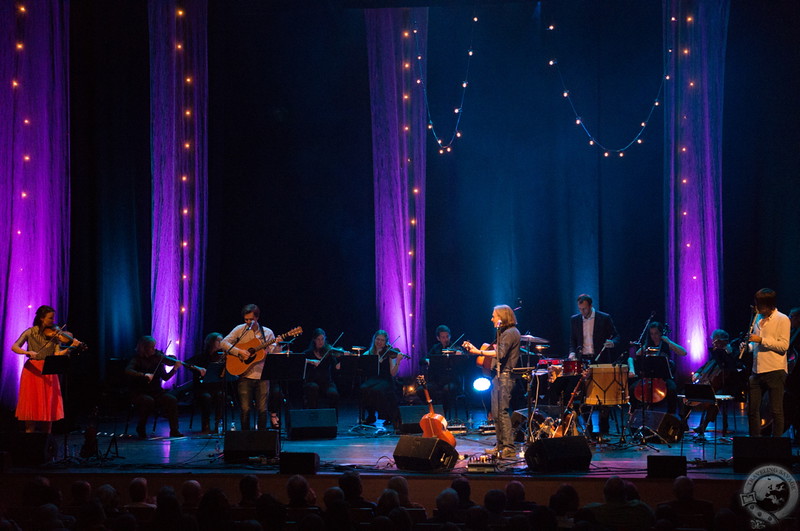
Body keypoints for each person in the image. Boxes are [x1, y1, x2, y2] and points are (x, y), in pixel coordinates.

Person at [11, 305, 83, 433]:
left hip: (49, 369)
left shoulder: (55, 335)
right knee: (31, 405)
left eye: (53, 318)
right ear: (41, 318)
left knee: (48, 407)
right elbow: (15, 347)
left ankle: (46, 442)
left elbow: (57, 354)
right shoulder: (30, 332)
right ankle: (30, 441)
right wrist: (26, 352)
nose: (53, 322)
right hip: (32, 371)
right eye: (50, 318)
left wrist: (72, 346)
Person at [463, 305, 521, 459]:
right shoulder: (503, 333)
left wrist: (478, 351)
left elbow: (499, 353)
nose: (492, 319)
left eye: (494, 316)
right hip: (498, 376)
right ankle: (500, 446)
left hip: (505, 377)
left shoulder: (510, 333)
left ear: (501, 317)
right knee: (495, 413)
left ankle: (509, 447)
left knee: (501, 413)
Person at [221, 304, 280, 430]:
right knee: (245, 409)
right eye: (246, 320)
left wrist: (277, 345)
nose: (248, 322)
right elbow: (223, 343)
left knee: (262, 409)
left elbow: (273, 353)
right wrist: (239, 352)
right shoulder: (240, 329)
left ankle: (262, 438)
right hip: (245, 375)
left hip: (262, 375)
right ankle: (245, 438)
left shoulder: (267, 333)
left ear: (257, 318)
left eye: (251, 320)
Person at [742, 288, 791, 437]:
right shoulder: (758, 319)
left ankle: (775, 446)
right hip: (757, 371)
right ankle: (755, 444)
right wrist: (748, 346)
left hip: (775, 370)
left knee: (776, 411)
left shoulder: (782, 319)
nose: (756, 308)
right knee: (752, 410)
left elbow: (783, 346)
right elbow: (756, 345)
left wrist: (761, 340)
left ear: (769, 305)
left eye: (759, 305)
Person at [125, 335, 192, 438]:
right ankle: (141, 428)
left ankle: (174, 430)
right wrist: (144, 375)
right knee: (148, 401)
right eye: (152, 347)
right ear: (145, 348)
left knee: (171, 399)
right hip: (139, 392)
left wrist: (174, 369)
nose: (155, 349)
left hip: (156, 392)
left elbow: (165, 377)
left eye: (155, 346)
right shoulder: (137, 359)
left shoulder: (158, 359)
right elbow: (128, 370)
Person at [629, 322, 686, 415]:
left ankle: (670, 415)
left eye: (656, 333)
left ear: (660, 333)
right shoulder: (647, 345)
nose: (654, 336)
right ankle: (633, 412)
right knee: (632, 388)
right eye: (651, 334)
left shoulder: (666, 344)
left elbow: (683, 352)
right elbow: (635, 356)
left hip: (664, 378)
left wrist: (669, 342)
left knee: (672, 389)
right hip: (648, 378)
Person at [360, 330, 404, 425]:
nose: (379, 342)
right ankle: (371, 415)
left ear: (386, 342)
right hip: (373, 379)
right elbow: (363, 369)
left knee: (377, 390)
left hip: (385, 380)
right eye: (378, 339)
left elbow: (393, 373)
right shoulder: (368, 353)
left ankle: (385, 416)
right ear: (374, 340)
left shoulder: (388, 354)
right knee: (363, 388)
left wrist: (398, 362)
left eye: (382, 340)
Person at [186, 332, 226, 433]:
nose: (221, 343)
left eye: (222, 340)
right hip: (202, 388)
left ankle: (218, 423)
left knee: (221, 395)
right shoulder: (202, 356)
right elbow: (187, 364)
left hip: (217, 387)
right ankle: (206, 424)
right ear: (211, 342)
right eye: (219, 340)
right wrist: (198, 368)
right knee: (206, 397)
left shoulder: (223, 356)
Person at [421, 325, 462, 419]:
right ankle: (433, 411)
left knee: (446, 390)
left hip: (452, 380)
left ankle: (443, 414)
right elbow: (423, 359)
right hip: (437, 381)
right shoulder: (435, 348)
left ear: (450, 336)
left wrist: (459, 356)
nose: (446, 339)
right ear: (438, 338)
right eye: (443, 337)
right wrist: (427, 360)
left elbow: (463, 363)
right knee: (421, 390)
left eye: (447, 336)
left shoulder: (455, 348)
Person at [568, 294, 621, 363]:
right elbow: (573, 339)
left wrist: (612, 342)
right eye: (580, 309)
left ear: (591, 306)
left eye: (584, 309)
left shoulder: (604, 318)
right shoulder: (575, 319)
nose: (582, 311)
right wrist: (572, 352)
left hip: (600, 359)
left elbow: (616, 336)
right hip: (582, 359)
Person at [303, 328, 342, 409]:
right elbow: (299, 361)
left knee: (333, 394)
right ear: (314, 340)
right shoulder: (308, 353)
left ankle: (332, 418)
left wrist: (344, 361)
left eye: (322, 339)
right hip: (312, 381)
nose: (321, 341)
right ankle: (314, 415)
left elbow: (336, 367)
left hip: (327, 382)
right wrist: (311, 361)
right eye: (318, 339)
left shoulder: (329, 352)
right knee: (313, 388)